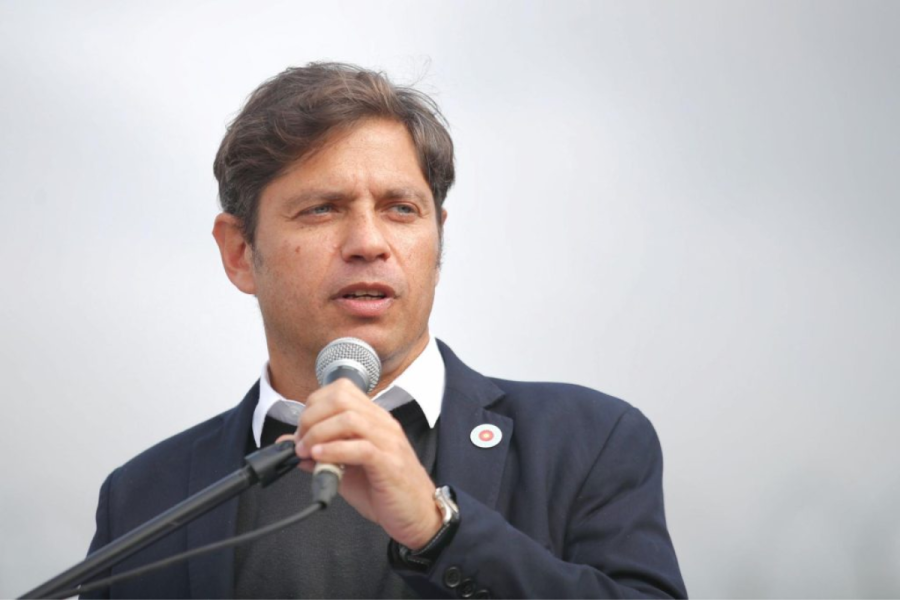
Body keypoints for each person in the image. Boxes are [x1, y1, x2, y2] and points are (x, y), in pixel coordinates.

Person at [85, 62, 687, 599]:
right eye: (322, 208)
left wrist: (439, 530)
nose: (369, 243)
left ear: (437, 241)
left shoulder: (588, 441)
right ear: (240, 252)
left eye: (401, 209)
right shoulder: (141, 498)